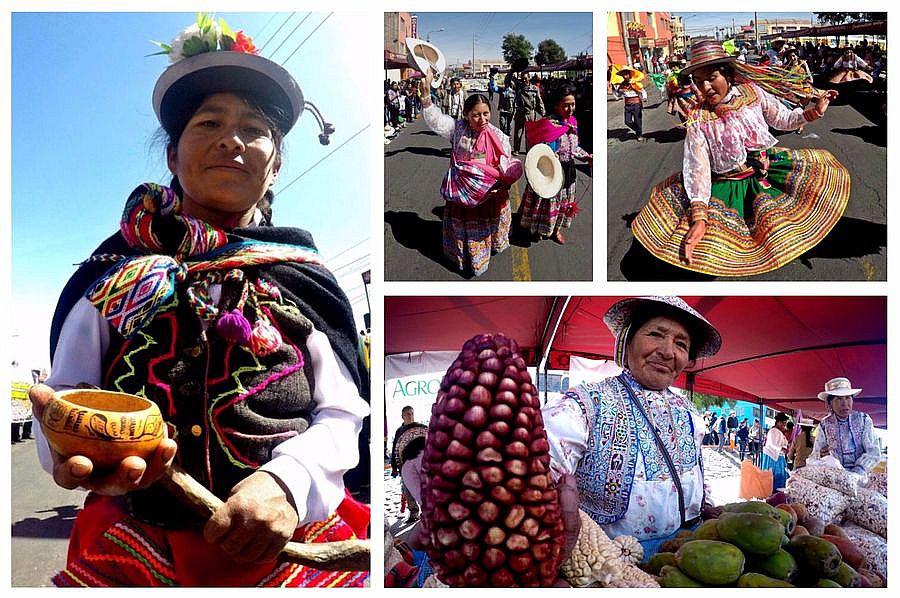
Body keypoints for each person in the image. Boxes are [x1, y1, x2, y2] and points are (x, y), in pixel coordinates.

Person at [27, 16, 368, 587]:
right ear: (172, 156)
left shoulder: (302, 277)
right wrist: (66, 447)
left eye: (255, 129)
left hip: (291, 549)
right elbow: (66, 392)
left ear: (276, 163)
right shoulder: (113, 275)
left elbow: (341, 411)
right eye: (209, 122)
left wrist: (287, 482)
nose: (232, 139)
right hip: (134, 547)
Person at [631, 38, 849, 277]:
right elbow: (698, 167)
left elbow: (783, 119)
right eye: (698, 81)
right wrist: (699, 216)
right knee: (722, 253)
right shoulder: (698, 118)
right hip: (727, 184)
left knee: (780, 237)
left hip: (764, 174)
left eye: (711, 77)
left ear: (727, 74)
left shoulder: (753, 94)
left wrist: (815, 111)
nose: (705, 87)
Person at [542, 296, 722, 555]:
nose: (667, 351)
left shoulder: (689, 413)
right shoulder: (584, 405)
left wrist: (704, 505)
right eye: (655, 335)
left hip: (685, 552)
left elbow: (694, 475)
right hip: (609, 563)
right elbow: (534, 472)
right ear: (626, 344)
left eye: (680, 344)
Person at [419, 71, 523, 277]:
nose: (482, 119)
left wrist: (503, 185)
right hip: (462, 196)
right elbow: (436, 120)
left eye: (486, 113)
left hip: (489, 196)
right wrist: (426, 95)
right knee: (463, 229)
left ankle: (480, 260)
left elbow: (506, 164)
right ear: (466, 114)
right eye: (476, 114)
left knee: (484, 229)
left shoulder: (499, 135)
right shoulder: (457, 129)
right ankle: (464, 257)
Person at [519, 84, 592, 244]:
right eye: (566, 105)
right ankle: (536, 229)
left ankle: (555, 230)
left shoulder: (573, 123)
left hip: (569, 173)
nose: (570, 108)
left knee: (563, 205)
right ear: (556, 105)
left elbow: (574, 148)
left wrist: (587, 157)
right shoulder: (548, 125)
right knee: (544, 205)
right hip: (549, 174)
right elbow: (541, 151)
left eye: (572, 104)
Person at [808, 377, 881, 474]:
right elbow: (815, 455)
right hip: (835, 477)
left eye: (847, 398)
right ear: (829, 404)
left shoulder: (864, 420)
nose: (844, 403)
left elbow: (873, 452)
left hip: (861, 477)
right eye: (839, 399)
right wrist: (821, 456)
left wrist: (858, 470)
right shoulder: (824, 425)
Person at [513, 75, 545, 153]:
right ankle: (516, 149)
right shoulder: (518, 87)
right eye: (522, 79)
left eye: (525, 78)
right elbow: (509, 81)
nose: (524, 80)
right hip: (520, 112)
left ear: (529, 78)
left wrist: (543, 112)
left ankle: (529, 150)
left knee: (530, 133)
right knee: (518, 133)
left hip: (530, 113)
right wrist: (512, 71)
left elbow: (539, 100)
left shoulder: (534, 89)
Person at [613, 67, 646, 141]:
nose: (625, 76)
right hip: (627, 105)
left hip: (636, 104)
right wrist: (618, 91)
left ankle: (639, 135)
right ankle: (638, 130)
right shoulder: (621, 85)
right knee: (627, 121)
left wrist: (644, 98)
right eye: (623, 75)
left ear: (629, 74)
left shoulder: (635, 83)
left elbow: (643, 91)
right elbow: (618, 95)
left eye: (626, 74)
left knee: (638, 120)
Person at [761, 413, 791, 492]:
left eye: (785, 423)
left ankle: (777, 494)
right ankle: (772, 493)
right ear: (778, 422)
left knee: (780, 476)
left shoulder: (779, 431)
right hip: (772, 456)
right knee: (774, 476)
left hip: (778, 456)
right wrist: (781, 449)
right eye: (783, 423)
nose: (784, 425)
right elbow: (772, 443)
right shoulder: (773, 431)